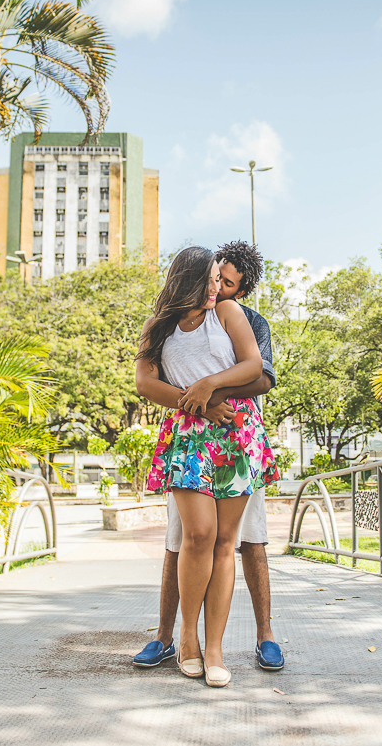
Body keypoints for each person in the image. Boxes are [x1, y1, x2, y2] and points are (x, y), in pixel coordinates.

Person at [133, 241, 284, 674]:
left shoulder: (235, 315)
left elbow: (259, 370)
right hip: (189, 435)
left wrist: (210, 390)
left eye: (227, 282)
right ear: (192, 279)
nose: (220, 288)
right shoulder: (158, 325)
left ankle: (241, 641)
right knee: (189, 537)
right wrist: (194, 401)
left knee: (234, 541)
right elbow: (146, 382)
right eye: (216, 279)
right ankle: (180, 638)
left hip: (236, 434)